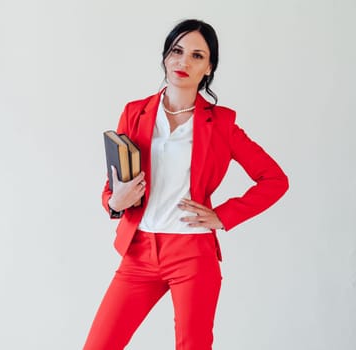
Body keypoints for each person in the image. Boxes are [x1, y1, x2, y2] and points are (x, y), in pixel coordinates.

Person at [83, 19, 289, 350]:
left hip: (192, 254)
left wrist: (222, 215)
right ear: (165, 56)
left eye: (197, 56)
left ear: (208, 68)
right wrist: (114, 203)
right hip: (139, 252)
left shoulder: (221, 124)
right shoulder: (135, 113)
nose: (183, 62)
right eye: (177, 51)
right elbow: (113, 186)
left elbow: (275, 180)